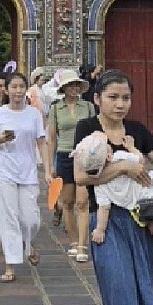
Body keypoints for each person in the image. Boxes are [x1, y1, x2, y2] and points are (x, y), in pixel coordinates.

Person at [74, 69, 153, 305]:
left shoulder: (137, 131)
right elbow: (80, 177)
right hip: (106, 220)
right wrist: (122, 168)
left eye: (126, 98)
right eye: (113, 97)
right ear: (97, 99)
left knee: (150, 283)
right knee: (119, 285)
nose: (120, 104)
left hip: (142, 219)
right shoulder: (87, 129)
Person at [72, 129, 153, 274]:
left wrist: (100, 230)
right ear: (109, 155)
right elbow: (140, 159)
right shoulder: (119, 157)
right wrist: (131, 148)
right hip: (148, 194)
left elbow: (104, 208)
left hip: (151, 193)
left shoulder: (100, 182)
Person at [0, 71, 53, 283]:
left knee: (30, 219)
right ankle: (10, 264)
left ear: (26, 89)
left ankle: (28, 244)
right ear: (6, 89)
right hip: (4, 170)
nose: (17, 91)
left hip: (28, 170)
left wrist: (48, 170)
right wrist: (0, 140)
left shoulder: (34, 114)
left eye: (21, 87)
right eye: (13, 87)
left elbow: (42, 142)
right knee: (9, 218)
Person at [46, 68, 95, 262]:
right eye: (71, 85)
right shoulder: (56, 108)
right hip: (65, 154)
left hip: (83, 155)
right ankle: (73, 241)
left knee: (83, 202)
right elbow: (51, 137)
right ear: (64, 88)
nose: (75, 88)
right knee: (67, 202)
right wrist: (50, 165)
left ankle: (83, 245)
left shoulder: (88, 107)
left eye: (77, 85)